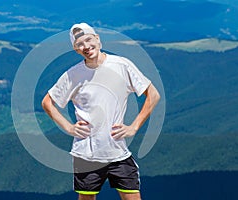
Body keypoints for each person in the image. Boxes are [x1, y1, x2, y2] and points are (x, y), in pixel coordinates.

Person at [42, 22, 160, 200]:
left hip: (119, 153)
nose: (86, 46)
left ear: (98, 40)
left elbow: (153, 94)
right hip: (86, 155)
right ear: (76, 50)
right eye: (80, 44)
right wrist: (68, 127)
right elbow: (47, 102)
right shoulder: (73, 75)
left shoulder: (122, 65)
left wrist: (134, 127)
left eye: (89, 40)